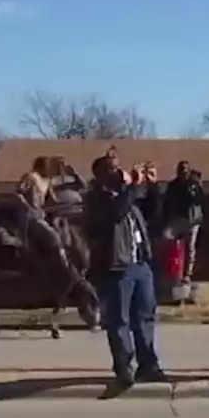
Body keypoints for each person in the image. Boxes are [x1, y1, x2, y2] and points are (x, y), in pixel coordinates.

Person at [84, 154, 166, 389]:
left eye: (119, 167)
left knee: (145, 317)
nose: (119, 171)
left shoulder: (126, 196)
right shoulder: (96, 199)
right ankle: (124, 369)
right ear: (101, 175)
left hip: (140, 264)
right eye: (112, 168)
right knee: (119, 320)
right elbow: (116, 214)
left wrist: (151, 186)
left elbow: (152, 213)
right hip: (115, 267)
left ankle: (148, 366)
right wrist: (132, 187)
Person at [162, 161, 207, 284]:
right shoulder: (173, 185)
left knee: (190, 247)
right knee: (167, 239)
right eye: (181, 169)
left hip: (193, 220)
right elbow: (167, 202)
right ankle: (171, 270)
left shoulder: (194, 184)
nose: (183, 172)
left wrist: (197, 185)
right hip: (177, 218)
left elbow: (201, 200)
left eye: (185, 170)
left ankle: (187, 274)